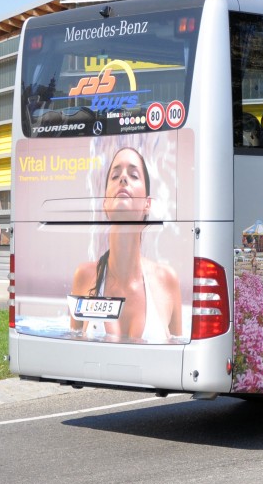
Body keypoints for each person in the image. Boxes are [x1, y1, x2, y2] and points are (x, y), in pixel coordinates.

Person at [69, 146, 182, 342]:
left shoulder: (167, 281)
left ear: (147, 204)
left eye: (133, 174)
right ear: (105, 202)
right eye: (115, 175)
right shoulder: (85, 276)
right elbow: (72, 349)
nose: (123, 179)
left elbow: (181, 357)